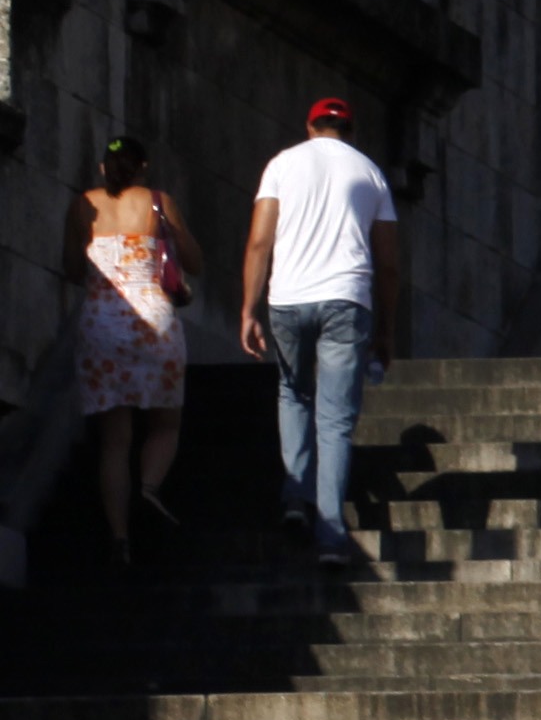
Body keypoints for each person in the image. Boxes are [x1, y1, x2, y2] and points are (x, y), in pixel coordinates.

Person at [240, 98, 398, 567]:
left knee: (292, 392)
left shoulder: (282, 165)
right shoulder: (371, 173)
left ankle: (294, 497)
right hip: (347, 299)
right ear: (348, 130)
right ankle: (331, 535)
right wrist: (387, 331)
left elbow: (259, 241)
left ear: (310, 126)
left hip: (288, 298)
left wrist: (248, 308)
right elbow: (388, 265)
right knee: (335, 419)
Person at [65, 135, 204, 566]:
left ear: (104, 168)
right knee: (165, 424)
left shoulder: (82, 204)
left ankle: (119, 537)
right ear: (143, 166)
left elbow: (71, 268)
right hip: (153, 324)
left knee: (114, 441)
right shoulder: (158, 202)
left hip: (101, 326)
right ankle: (148, 488)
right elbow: (194, 263)